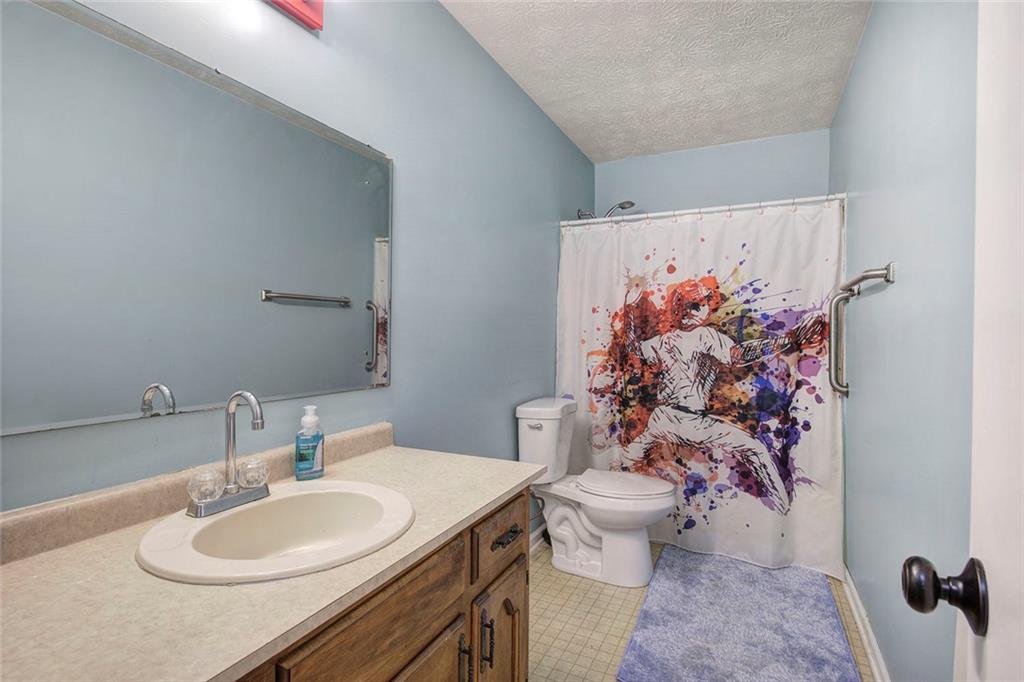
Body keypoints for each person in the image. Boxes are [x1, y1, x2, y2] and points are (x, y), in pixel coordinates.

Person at [620, 277, 825, 514]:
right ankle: (784, 510)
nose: (688, 311)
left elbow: (633, 348)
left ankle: (624, 506)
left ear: (707, 307)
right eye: (683, 305)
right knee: (755, 450)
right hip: (690, 422)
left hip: (663, 420)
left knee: (628, 459)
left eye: (695, 305)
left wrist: (630, 308)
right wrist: (786, 341)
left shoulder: (665, 340)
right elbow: (739, 354)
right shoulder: (704, 335)